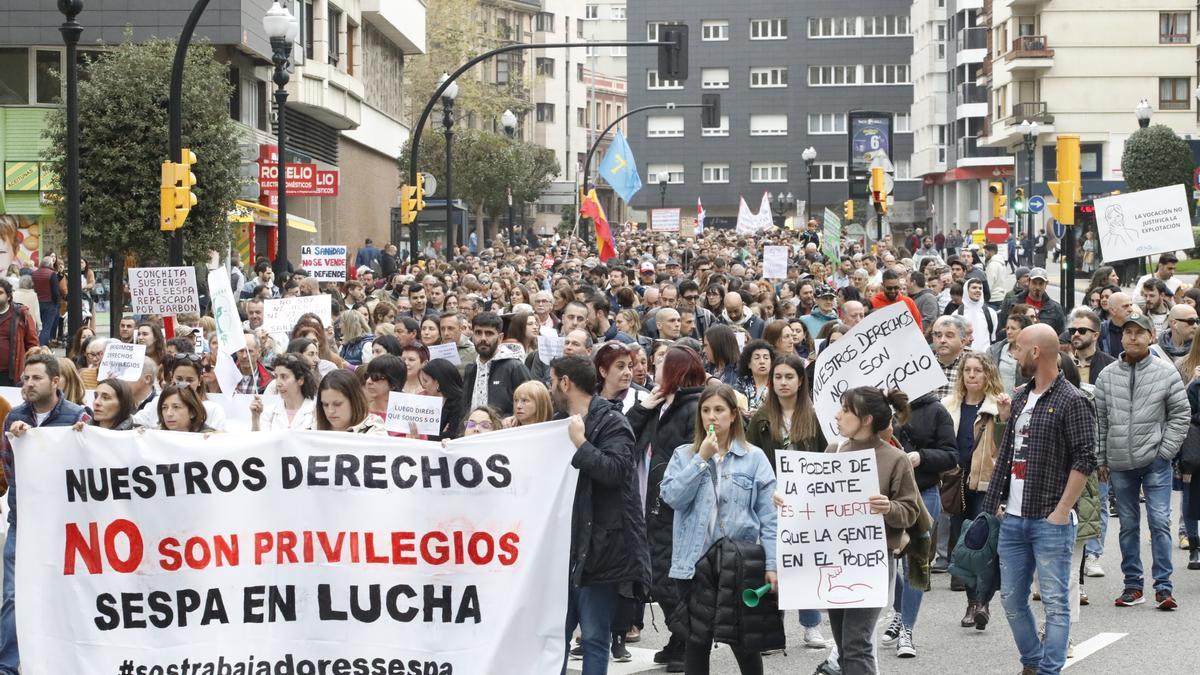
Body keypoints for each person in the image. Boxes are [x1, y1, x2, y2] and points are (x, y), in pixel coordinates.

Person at [982, 323, 1097, 675]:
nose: (1012, 354)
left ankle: (1048, 669)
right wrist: (997, 504)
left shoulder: (1073, 400)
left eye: (1017, 348)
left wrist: (1062, 511)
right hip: (1013, 518)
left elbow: (1085, 459)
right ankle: (1032, 660)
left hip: (1050, 519)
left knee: (1056, 602)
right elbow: (1011, 454)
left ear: (1035, 352)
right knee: (1011, 599)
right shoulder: (1018, 397)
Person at [659, 383, 781, 674]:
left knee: (745, 643)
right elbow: (672, 497)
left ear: (733, 415)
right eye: (705, 410)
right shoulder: (684, 455)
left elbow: (769, 517)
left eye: (719, 410)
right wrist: (700, 459)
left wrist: (773, 564)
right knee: (696, 642)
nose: (711, 417)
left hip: (738, 562)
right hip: (695, 562)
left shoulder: (754, 458)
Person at [550, 354, 649, 674]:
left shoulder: (611, 422)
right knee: (555, 637)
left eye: (553, 381)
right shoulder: (556, 421)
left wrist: (581, 445)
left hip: (601, 548)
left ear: (565, 383)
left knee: (594, 637)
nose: (551, 388)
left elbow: (617, 471)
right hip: (565, 546)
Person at [1094, 312, 1190, 610]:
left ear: (1151, 337)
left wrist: (1165, 452)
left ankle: (1164, 587)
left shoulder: (1166, 372)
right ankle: (1133, 585)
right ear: (1121, 337)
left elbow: (1180, 414)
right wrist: (1101, 458)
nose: (1132, 337)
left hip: (1155, 461)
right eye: (1128, 332)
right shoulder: (1107, 375)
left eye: (1139, 332)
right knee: (1128, 526)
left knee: (1160, 521)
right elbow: (1100, 420)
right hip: (1120, 462)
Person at [0, 353, 88, 670]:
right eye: (25, 378)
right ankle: (8, 664)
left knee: (64, 594)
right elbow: (10, 470)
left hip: (65, 526)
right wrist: (22, 444)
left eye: (36, 378)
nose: (28, 384)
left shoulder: (78, 416)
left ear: (55, 381)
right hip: (23, 523)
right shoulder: (14, 418)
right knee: (13, 595)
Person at [826, 387, 923, 675]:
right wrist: (790, 500)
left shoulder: (895, 459)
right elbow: (816, 502)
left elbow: (911, 511)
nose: (837, 414)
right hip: (835, 560)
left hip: (873, 562)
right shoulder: (834, 451)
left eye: (845, 409)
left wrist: (888, 508)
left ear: (865, 419)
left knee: (857, 643)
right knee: (844, 645)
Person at [623, 345, 707, 670]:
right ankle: (680, 636)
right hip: (650, 499)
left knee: (674, 577)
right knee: (658, 575)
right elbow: (625, 436)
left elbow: (695, 455)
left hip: (676, 504)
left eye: (660, 363)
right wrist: (644, 407)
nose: (652, 368)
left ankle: (688, 641)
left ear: (674, 370)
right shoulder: (659, 403)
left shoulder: (694, 406)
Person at [744, 352, 828, 648]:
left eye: (789, 376)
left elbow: (827, 458)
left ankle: (811, 624)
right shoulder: (760, 419)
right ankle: (771, 628)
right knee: (772, 563)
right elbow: (750, 459)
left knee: (805, 562)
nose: (782, 382)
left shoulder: (816, 416)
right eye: (777, 377)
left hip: (807, 503)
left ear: (801, 380)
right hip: (772, 502)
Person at [883, 385, 958, 658]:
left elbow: (952, 454)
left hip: (922, 492)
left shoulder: (936, 410)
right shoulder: (881, 408)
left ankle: (907, 628)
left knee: (914, 561)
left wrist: (921, 457)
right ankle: (901, 610)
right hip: (885, 495)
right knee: (887, 560)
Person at [942, 353, 1010, 629]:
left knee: (985, 545)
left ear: (988, 375)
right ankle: (972, 602)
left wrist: (1005, 418)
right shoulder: (949, 406)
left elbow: (1006, 445)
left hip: (987, 485)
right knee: (965, 548)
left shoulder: (998, 406)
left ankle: (983, 602)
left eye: (977, 371)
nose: (971, 375)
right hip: (957, 484)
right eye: (967, 370)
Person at [462, 312, 530, 417]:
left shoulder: (515, 367)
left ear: (500, 338)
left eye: (489, 333)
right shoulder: (470, 370)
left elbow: (531, 404)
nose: (483, 338)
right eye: (478, 333)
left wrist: (513, 419)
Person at [250, 354, 317, 431]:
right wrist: (255, 418)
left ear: (300, 380)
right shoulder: (270, 412)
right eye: (276, 377)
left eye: (284, 377)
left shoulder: (315, 410)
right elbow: (259, 440)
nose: (278, 383)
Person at [165, 353, 226, 432]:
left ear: (200, 380)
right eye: (179, 379)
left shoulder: (213, 410)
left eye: (189, 380)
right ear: (171, 377)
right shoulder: (157, 403)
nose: (184, 384)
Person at [314, 369, 385, 434]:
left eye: (337, 404)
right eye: (325, 405)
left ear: (354, 401)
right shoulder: (312, 428)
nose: (330, 411)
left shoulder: (374, 430)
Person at [1000, 268, 1066, 335]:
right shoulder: (1012, 303)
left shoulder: (1055, 308)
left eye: (1041, 284)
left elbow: (1061, 335)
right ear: (1029, 282)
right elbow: (1001, 331)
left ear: (1046, 284)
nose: (1037, 287)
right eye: (1034, 283)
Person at [0, 278, 37, 387]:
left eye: (0, 293)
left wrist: (30, 370)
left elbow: (33, 345)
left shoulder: (21, 314)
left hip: (11, 374)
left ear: (9, 296)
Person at [418, 359, 464, 440]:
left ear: (438, 382)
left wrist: (422, 437)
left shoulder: (459, 404)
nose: (423, 385)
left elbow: (451, 436)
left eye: (426, 381)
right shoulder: (427, 402)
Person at [989, 314, 1033, 394]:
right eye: (1007, 328)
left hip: (1021, 400)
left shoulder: (1031, 352)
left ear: (1024, 330)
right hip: (997, 400)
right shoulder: (994, 350)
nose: (1008, 332)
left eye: (1013, 329)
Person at [958, 278, 998, 351]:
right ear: (966, 290)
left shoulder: (991, 313)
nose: (978, 290)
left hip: (985, 357)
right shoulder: (957, 314)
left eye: (980, 288)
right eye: (974, 288)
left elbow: (993, 338)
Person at [362, 354, 407, 420]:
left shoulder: (407, 415)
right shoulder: (360, 412)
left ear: (393, 384)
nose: (368, 381)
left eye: (375, 377)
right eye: (367, 376)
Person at [735, 340, 773, 414]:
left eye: (766, 358)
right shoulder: (741, 383)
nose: (762, 361)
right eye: (757, 358)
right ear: (748, 363)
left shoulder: (776, 384)